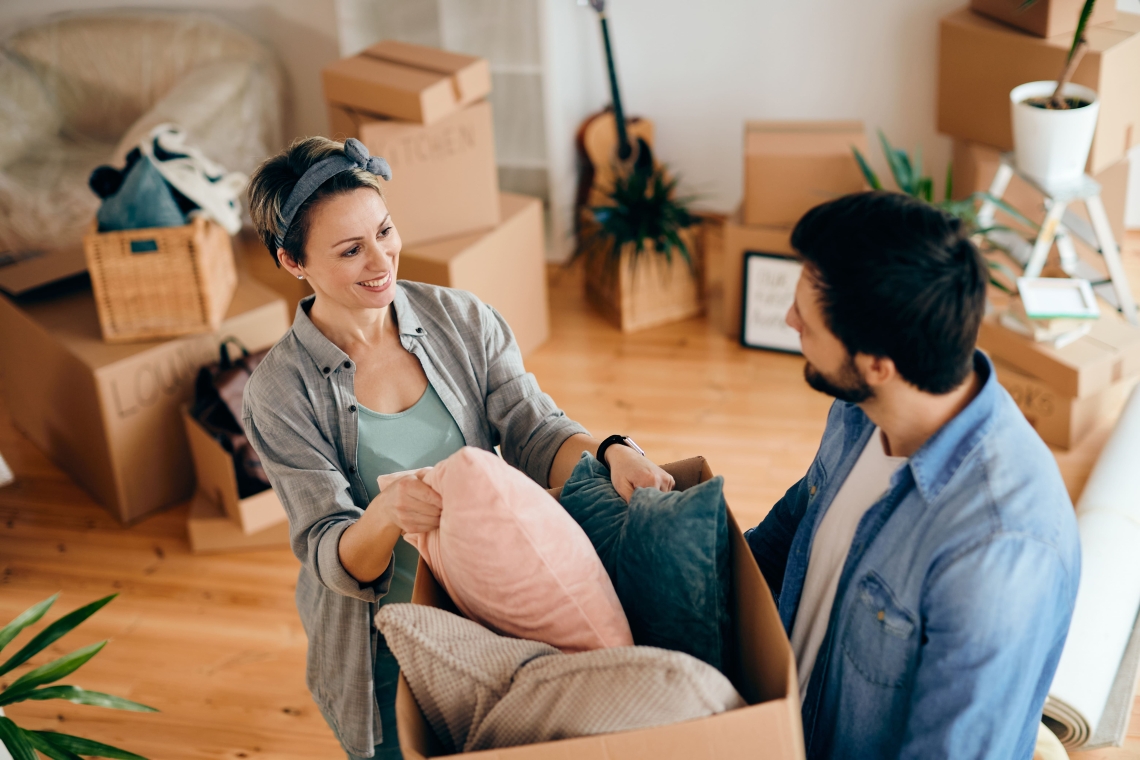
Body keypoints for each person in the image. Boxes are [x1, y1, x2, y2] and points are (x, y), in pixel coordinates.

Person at [241, 136, 675, 760]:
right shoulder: (279, 393)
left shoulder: (462, 319)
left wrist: (611, 451)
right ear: (293, 262)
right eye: (350, 250)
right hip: (381, 643)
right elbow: (330, 552)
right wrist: (387, 515)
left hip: (490, 603)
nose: (381, 259)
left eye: (385, 231)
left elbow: (534, 429)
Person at [745, 192, 1080, 760]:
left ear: (877, 364)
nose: (789, 319)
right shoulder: (861, 408)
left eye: (807, 319)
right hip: (776, 724)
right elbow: (793, 528)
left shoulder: (997, 549)